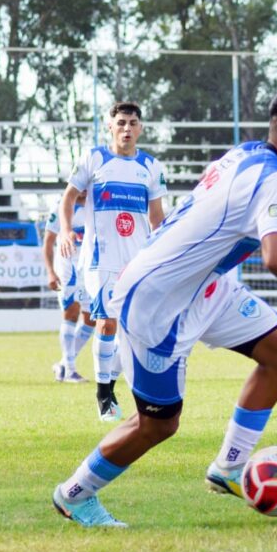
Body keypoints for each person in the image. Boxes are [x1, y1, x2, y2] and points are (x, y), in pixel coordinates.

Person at [51, 86, 277, 528]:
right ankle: (74, 494)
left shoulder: (246, 153)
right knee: (158, 425)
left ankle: (229, 467)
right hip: (156, 303)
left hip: (208, 288)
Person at [57, 101, 166, 422]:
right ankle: (103, 394)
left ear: (140, 128)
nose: (126, 129)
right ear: (110, 126)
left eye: (132, 123)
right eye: (121, 123)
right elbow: (68, 197)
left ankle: (111, 384)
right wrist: (65, 230)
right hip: (100, 258)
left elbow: (157, 218)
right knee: (107, 323)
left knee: (137, 332)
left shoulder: (151, 166)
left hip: (138, 260)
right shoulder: (94, 158)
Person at [42, 193, 94, 383]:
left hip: (88, 266)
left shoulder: (95, 201)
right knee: (71, 312)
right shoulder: (61, 204)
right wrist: (50, 272)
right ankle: (70, 370)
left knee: (91, 319)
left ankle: (63, 364)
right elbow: (48, 242)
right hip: (67, 266)